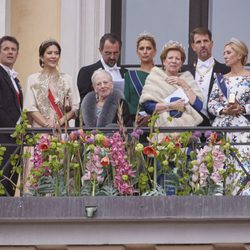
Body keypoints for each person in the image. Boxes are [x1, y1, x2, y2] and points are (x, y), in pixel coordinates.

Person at [208, 38, 250, 194]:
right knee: (219, 163)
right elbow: (211, 104)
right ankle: (219, 197)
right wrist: (224, 110)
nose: (224, 56)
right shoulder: (220, 79)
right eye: (224, 53)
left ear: (239, 55)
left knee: (242, 164)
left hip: (243, 129)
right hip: (221, 128)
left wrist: (242, 108)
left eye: (228, 52)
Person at [139, 40, 204, 141]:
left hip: (186, 135)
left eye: (178, 58)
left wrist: (183, 84)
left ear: (181, 63)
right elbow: (147, 107)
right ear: (164, 61)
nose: (174, 61)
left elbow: (198, 106)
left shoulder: (187, 78)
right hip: (163, 133)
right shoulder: (155, 77)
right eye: (170, 58)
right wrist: (171, 106)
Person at [23, 39, 80, 128]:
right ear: (41, 57)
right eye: (49, 53)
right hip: (40, 131)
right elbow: (30, 107)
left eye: (56, 53)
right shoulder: (33, 79)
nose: (53, 56)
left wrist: (59, 123)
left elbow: (75, 107)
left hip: (62, 131)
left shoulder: (67, 79)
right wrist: (47, 125)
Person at [77, 33, 127, 126]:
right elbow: (84, 104)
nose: (112, 57)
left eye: (115, 53)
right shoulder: (87, 71)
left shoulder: (125, 73)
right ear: (100, 50)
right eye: (108, 53)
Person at [183, 27, 230, 126]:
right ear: (193, 46)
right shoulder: (185, 72)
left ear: (211, 44)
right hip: (191, 125)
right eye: (198, 42)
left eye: (205, 41)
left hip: (216, 125)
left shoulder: (225, 70)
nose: (203, 45)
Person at [0, 35, 22, 196]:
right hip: (4, 135)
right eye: (6, 49)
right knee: (3, 178)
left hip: (14, 137)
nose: (10, 52)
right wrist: (14, 127)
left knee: (11, 179)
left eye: (13, 49)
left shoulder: (13, 77)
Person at [124, 32, 156, 123]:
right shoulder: (129, 75)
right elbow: (126, 101)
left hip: (158, 122)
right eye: (141, 48)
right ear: (137, 52)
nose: (145, 52)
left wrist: (151, 116)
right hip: (137, 122)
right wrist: (139, 115)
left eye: (148, 48)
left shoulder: (161, 74)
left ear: (154, 51)